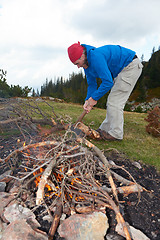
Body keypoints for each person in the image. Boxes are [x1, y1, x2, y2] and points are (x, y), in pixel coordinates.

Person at [67, 42, 143, 141]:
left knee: (114, 101)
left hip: (130, 66)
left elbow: (108, 82)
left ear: (82, 56)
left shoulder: (95, 57)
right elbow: (92, 84)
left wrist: (94, 98)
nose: (77, 67)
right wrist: (88, 101)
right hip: (121, 70)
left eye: (77, 63)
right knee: (112, 100)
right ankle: (105, 130)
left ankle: (116, 134)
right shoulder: (87, 64)